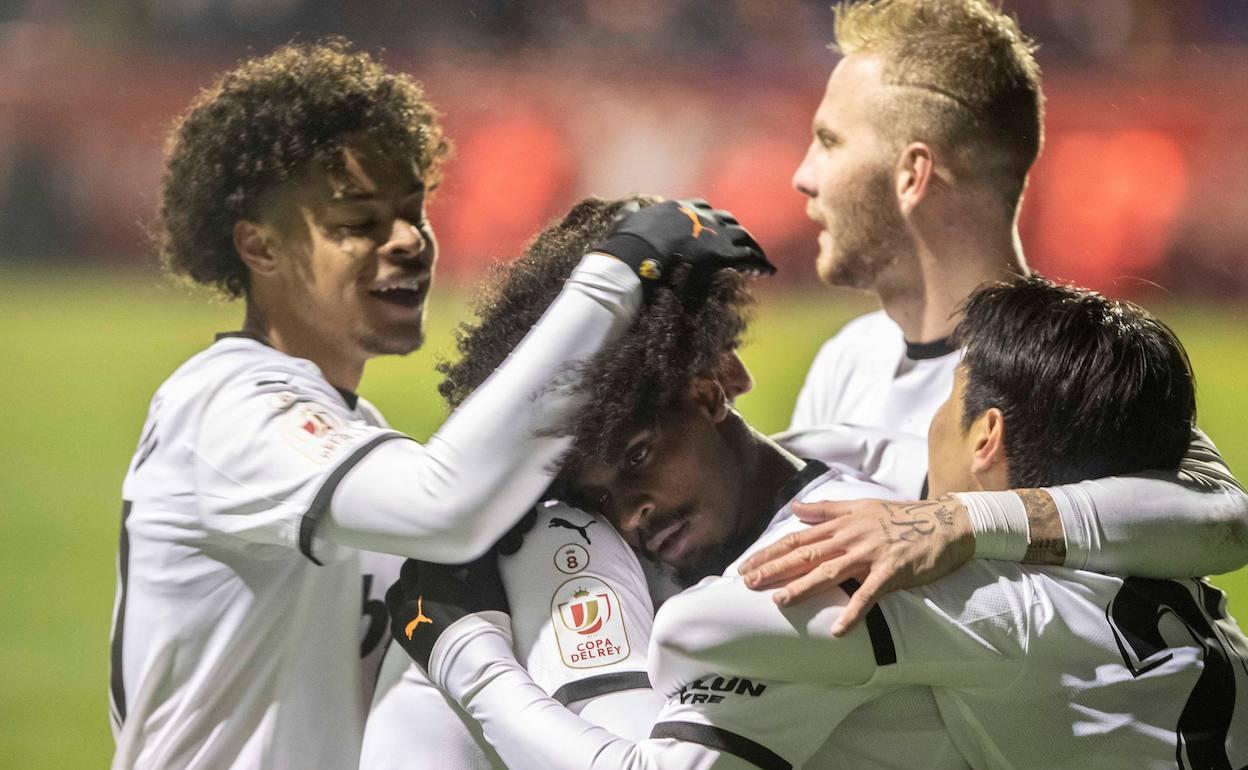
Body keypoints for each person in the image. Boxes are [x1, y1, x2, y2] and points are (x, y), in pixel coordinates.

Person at [107, 42, 770, 770]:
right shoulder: (229, 408)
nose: (405, 242)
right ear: (260, 248)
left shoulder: (354, 435)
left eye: (412, 212)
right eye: (357, 223)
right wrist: (619, 272)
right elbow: (445, 504)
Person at [387, 258, 1248, 768]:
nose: (632, 515)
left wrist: (488, 638)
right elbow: (1227, 514)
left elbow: (694, 649)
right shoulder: (1131, 524)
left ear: (988, 436)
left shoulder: (906, 584)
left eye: (944, 403)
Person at [740, 0, 1248, 634]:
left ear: (912, 174)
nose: (802, 175)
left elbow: (1223, 519)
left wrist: (962, 520)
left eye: (829, 141)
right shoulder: (850, 355)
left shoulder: (1064, 367)